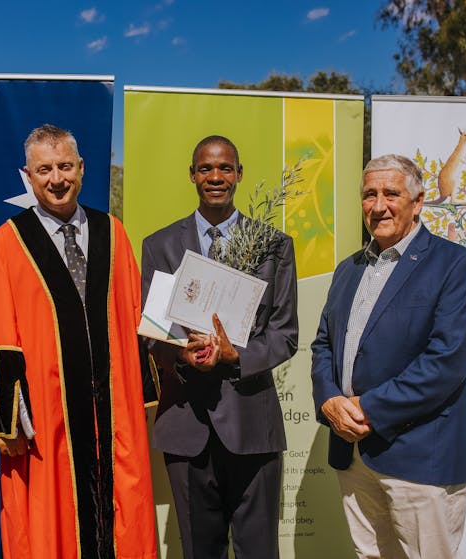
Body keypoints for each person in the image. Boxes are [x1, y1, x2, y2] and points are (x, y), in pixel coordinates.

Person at [0, 124, 157, 559]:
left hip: (113, 419)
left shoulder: (112, 234)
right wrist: (5, 421)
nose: (56, 178)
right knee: (50, 526)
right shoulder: (7, 244)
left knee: (124, 521)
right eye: (44, 169)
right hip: (48, 423)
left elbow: (135, 319)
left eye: (65, 166)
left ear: (81, 169)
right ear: (28, 175)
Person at [310, 154, 466, 559]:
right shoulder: (348, 269)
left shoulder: (456, 266)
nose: (379, 204)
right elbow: (323, 345)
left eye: (391, 193)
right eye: (369, 194)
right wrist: (330, 400)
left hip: (421, 455)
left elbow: (446, 362)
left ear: (418, 201)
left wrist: (366, 409)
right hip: (352, 453)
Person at [141, 135, 298, 559]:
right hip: (185, 428)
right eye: (206, 168)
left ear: (239, 174)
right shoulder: (159, 246)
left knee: (259, 551)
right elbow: (150, 332)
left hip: (253, 427)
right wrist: (179, 353)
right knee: (199, 552)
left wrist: (237, 358)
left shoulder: (275, 246)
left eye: (225, 168)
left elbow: (284, 334)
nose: (216, 177)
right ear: (192, 175)